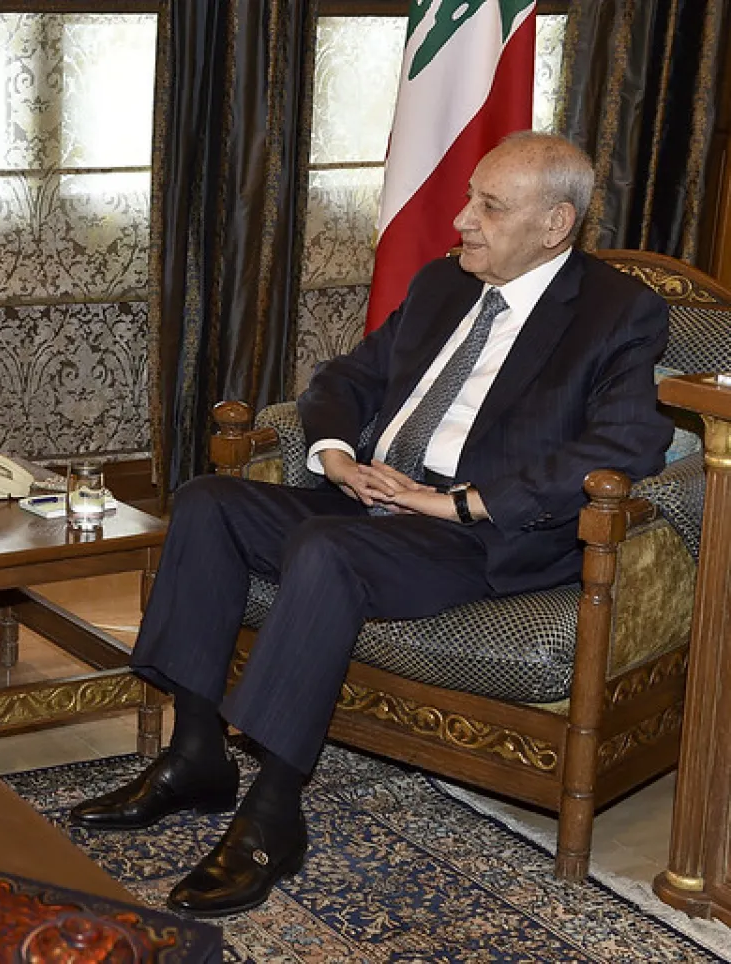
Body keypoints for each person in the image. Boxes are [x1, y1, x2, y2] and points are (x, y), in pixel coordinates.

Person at [68, 131, 673, 917]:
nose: (462, 219)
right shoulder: (442, 286)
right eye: (469, 199)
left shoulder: (617, 313)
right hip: (369, 499)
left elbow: (627, 444)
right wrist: (335, 456)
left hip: (478, 535)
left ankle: (273, 814)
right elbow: (347, 379)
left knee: (327, 549)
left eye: (489, 206)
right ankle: (195, 755)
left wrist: (458, 501)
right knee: (207, 501)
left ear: (556, 224)